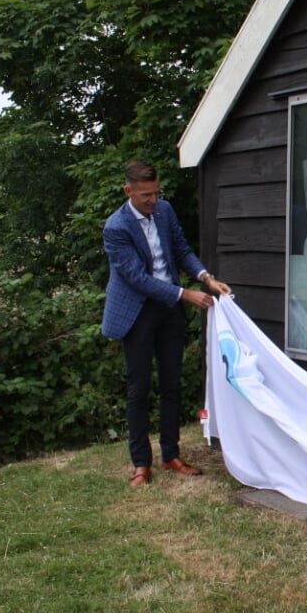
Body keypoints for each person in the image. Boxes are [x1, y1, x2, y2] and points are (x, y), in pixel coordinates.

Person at [102, 160, 232, 487]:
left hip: (170, 310)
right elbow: (136, 277)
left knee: (172, 383)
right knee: (139, 388)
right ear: (128, 191)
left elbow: (182, 251)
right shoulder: (116, 228)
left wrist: (206, 278)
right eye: (146, 195)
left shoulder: (165, 212)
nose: (152, 200)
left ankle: (171, 455)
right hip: (139, 312)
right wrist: (185, 294)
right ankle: (141, 464)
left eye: (156, 193)